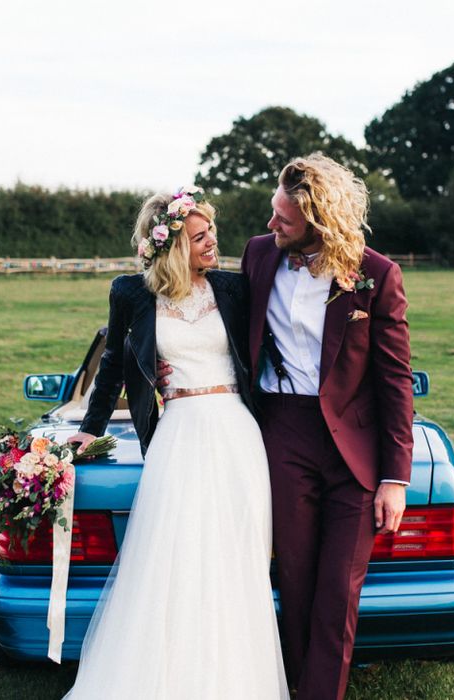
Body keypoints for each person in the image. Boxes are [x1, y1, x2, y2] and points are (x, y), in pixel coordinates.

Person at [160, 154, 413, 700]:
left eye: (284, 220)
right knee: (294, 582)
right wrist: (162, 355)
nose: (270, 226)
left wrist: (396, 477)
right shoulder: (258, 255)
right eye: (273, 213)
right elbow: (186, 293)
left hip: (356, 451)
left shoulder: (376, 275)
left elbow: (395, 382)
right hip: (281, 435)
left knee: (337, 592)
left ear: (319, 220)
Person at [64, 187, 289, 699]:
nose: (212, 241)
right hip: (177, 435)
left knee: (237, 561)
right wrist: (91, 427)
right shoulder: (131, 294)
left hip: (236, 433)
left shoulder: (233, 288)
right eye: (198, 235)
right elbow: (116, 368)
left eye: (211, 230)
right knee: (173, 560)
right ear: (168, 246)